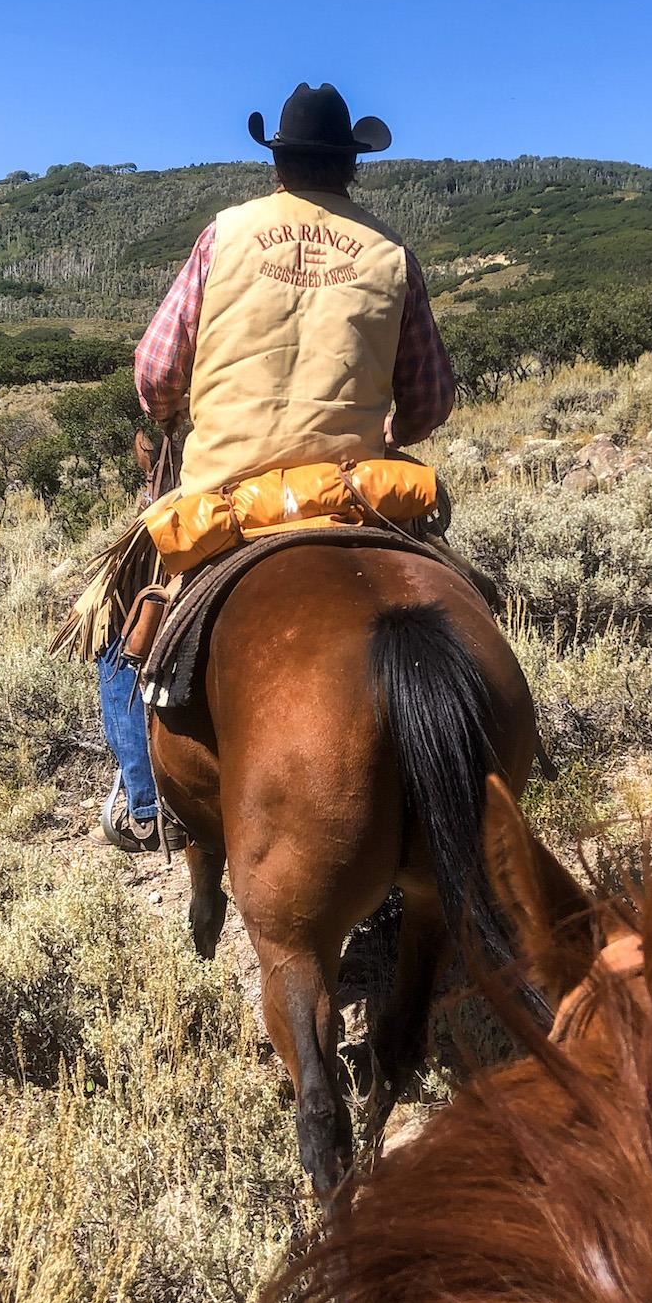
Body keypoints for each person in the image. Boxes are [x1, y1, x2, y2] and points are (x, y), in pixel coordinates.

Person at [97, 82, 457, 853]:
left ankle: (146, 803)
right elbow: (428, 399)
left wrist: (175, 414)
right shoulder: (392, 253)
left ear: (278, 165)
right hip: (355, 497)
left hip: (225, 499)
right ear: (351, 167)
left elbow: (156, 374)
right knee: (464, 600)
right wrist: (387, 427)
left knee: (120, 628)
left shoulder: (224, 235)